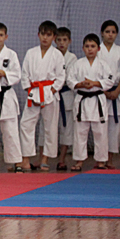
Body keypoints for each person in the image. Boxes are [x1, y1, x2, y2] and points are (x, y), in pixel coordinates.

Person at [19, 21, 66, 172]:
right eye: (43, 34)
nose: (45, 38)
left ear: (53, 37)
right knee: (26, 125)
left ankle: (45, 158)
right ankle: (26, 158)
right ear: (38, 35)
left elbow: (61, 76)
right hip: (34, 92)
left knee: (50, 127)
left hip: (49, 93)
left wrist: (52, 91)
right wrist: (29, 90)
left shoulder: (57, 54)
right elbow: (24, 73)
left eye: (49, 35)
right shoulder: (31, 53)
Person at [68, 34, 115, 171]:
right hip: (82, 100)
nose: (90, 49)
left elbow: (110, 81)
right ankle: (79, 161)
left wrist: (94, 83)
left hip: (97, 101)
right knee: (80, 132)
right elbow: (70, 80)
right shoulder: (77, 64)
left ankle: (101, 161)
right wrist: (81, 84)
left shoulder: (103, 65)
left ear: (98, 48)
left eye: (93, 46)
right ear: (83, 48)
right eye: (87, 46)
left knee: (100, 132)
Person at [0, 23, 24, 172]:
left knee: (10, 131)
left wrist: (3, 74)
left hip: (6, 95)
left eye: (1, 35)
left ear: (6, 37)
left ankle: (15, 163)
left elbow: (17, 75)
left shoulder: (11, 54)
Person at [97, 20, 120, 167]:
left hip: (117, 92)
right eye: (107, 31)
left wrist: (117, 90)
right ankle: (100, 159)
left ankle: (110, 159)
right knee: (100, 128)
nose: (110, 35)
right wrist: (104, 91)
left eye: (113, 32)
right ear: (102, 33)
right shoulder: (97, 50)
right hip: (100, 92)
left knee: (114, 128)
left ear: (117, 34)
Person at [54, 27, 77, 170]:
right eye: (59, 40)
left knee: (66, 129)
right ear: (55, 40)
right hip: (51, 94)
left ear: (69, 41)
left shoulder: (72, 58)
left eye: (64, 40)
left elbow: (69, 79)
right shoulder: (52, 55)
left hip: (66, 95)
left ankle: (62, 159)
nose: (62, 43)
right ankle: (42, 158)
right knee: (47, 128)